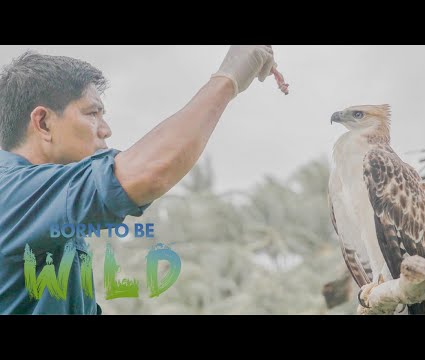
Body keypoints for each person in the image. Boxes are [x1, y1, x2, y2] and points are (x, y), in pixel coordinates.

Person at [0, 45, 277, 314]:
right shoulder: (9, 194)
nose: (106, 130)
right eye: (92, 113)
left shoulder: (46, 211)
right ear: (43, 123)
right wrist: (227, 80)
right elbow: (147, 172)